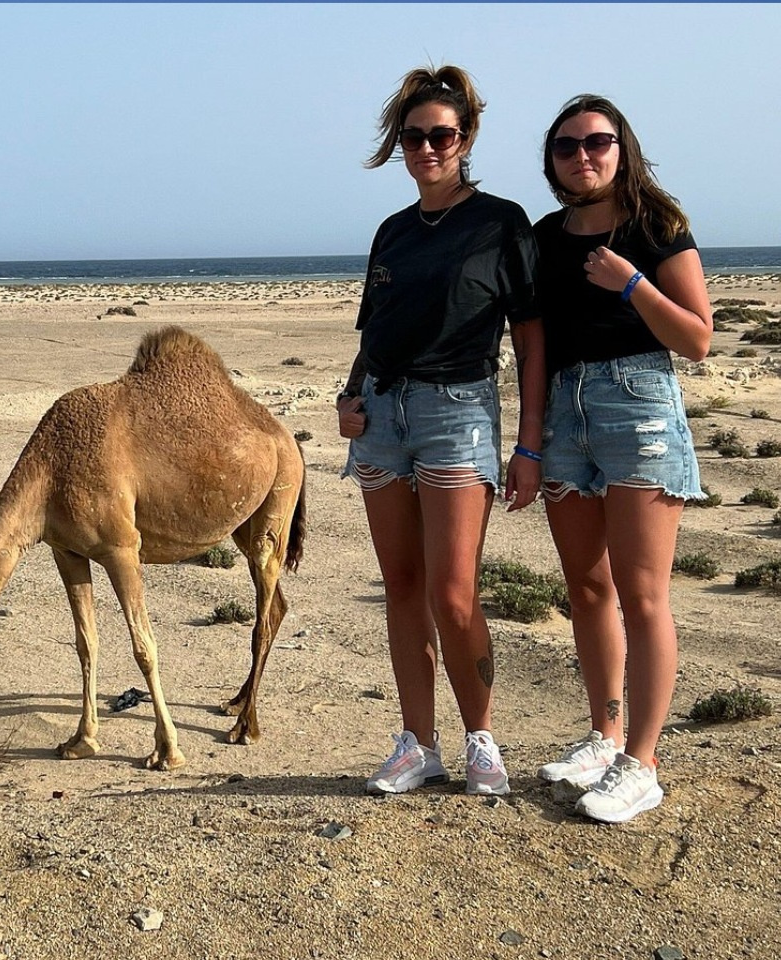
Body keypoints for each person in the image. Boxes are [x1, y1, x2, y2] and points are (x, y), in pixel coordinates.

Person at [336, 65, 544, 797]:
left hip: (458, 414)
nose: (427, 148)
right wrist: (349, 396)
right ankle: (417, 745)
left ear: (467, 138)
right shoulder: (392, 232)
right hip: (382, 420)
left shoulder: (501, 223)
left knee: (454, 593)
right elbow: (374, 332)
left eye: (441, 135)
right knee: (402, 587)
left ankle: (481, 740)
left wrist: (528, 443)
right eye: (414, 136)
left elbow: (531, 341)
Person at [531, 95, 712, 823]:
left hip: (638, 407)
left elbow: (698, 339)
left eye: (597, 142)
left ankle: (643, 762)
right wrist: (530, 438)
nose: (583, 156)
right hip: (563, 412)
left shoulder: (656, 224)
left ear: (622, 148)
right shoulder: (545, 237)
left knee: (643, 595)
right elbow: (535, 341)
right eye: (567, 146)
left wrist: (632, 282)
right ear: (551, 161)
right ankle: (604, 739)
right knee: (587, 589)